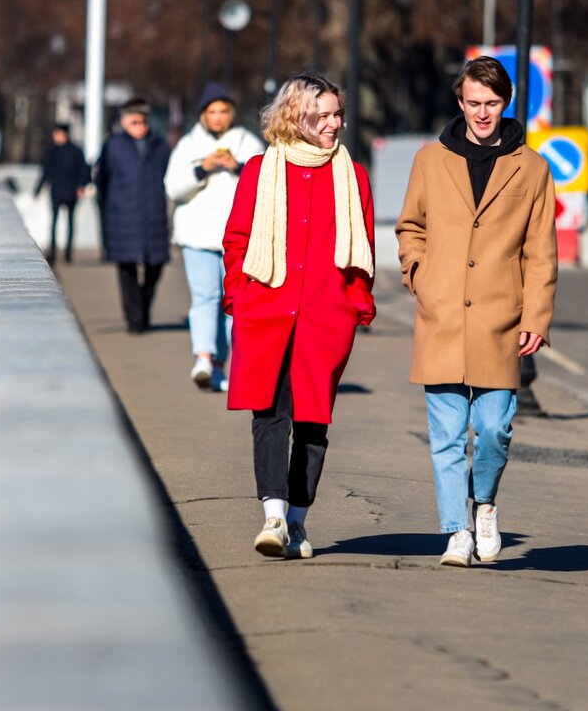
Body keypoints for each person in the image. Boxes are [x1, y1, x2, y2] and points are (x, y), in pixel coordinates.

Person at [395, 56, 557, 567]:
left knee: (494, 430)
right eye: (473, 103)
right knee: (445, 436)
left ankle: (484, 505)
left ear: (505, 103)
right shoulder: (429, 159)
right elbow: (410, 226)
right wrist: (419, 274)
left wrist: (536, 316)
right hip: (441, 313)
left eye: (491, 103)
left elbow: (541, 250)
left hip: (501, 318)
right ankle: (456, 531)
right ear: (459, 102)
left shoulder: (532, 168)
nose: (482, 113)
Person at [223, 72, 376, 560]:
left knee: (312, 421)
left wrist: (354, 307)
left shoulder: (353, 176)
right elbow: (238, 240)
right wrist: (239, 298)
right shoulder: (259, 171)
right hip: (266, 310)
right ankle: (272, 514)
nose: (335, 124)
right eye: (324, 115)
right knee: (269, 411)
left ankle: (297, 519)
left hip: (325, 316)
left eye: (338, 114)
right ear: (298, 116)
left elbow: (364, 247)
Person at [165, 83, 265, 391]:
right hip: (197, 235)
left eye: (223, 111)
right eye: (212, 112)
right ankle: (204, 357)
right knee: (205, 297)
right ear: (203, 114)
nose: (218, 118)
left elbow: (264, 180)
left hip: (237, 239)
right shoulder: (188, 145)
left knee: (234, 303)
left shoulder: (247, 141)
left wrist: (236, 167)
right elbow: (173, 188)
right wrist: (202, 169)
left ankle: (223, 366)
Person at [95, 98, 171, 333]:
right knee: (126, 269)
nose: (140, 127)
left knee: (155, 267)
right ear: (124, 122)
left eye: (143, 122)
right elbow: (101, 181)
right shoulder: (113, 146)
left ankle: (143, 310)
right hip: (122, 216)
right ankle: (135, 320)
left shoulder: (160, 145)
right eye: (134, 122)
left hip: (153, 216)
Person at [33, 123, 90, 264]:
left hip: (71, 191)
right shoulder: (52, 152)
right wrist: (38, 190)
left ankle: (68, 253)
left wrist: (81, 186)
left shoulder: (76, 151)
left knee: (70, 222)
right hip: (57, 191)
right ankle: (52, 252)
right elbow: (45, 172)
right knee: (54, 222)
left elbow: (83, 170)